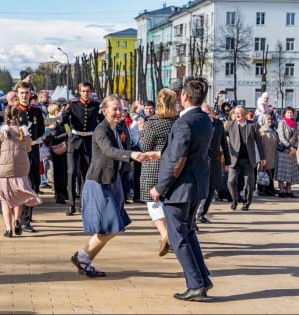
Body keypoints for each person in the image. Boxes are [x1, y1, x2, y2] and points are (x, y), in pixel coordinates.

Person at [149, 76, 213, 301]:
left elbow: (179, 159)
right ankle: (202, 278)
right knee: (188, 233)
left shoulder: (185, 121)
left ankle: (196, 284)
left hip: (180, 189)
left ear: (184, 96)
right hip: (195, 186)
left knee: (178, 238)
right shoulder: (204, 118)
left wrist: (160, 187)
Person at [70, 95, 146, 277]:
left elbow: (126, 146)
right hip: (99, 181)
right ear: (104, 111)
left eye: (121, 109)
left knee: (115, 226)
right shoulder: (100, 130)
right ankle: (82, 256)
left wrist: (141, 153)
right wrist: (131, 155)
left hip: (114, 180)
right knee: (111, 226)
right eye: (115, 109)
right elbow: (108, 151)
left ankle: (83, 257)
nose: (119, 112)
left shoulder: (119, 127)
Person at [0, 105, 42, 237]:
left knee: (5, 200)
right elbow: (28, 149)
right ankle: (17, 220)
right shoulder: (23, 133)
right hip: (20, 170)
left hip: (3, 172)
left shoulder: (0, 133)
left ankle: (8, 229)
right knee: (18, 198)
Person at [139, 88, 177, 256]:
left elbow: (145, 147)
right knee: (170, 202)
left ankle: (165, 234)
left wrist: (141, 131)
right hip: (173, 166)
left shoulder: (153, 121)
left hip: (153, 166)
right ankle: (172, 235)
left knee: (153, 204)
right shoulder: (178, 120)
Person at [62, 82, 100, 216]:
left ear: (91, 92)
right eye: (83, 91)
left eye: (88, 91)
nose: (85, 93)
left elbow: (101, 122)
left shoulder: (96, 105)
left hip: (88, 141)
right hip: (74, 140)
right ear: (79, 92)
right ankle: (71, 204)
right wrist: (68, 132)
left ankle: (84, 204)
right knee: (71, 172)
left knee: (86, 174)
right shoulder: (73, 104)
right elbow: (64, 119)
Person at [16, 81, 45, 232]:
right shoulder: (13, 111)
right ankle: (22, 220)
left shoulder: (36, 111)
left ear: (30, 94)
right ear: (17, 94)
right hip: (20, 152)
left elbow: (40, 129)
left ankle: (26, 217)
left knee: (34, 184)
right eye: (21, 93)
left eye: (26, 93)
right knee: (22, 185)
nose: (24, 96)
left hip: (33, 150)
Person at [225, 105, 265, 211]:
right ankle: (235, 200)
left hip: (248, 159)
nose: (237, 115)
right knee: (231, 181)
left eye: (239, 113)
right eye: (235, 113)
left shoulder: (253, 125)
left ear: (245, 114)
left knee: (249, 183)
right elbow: (222, 138)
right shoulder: (230, 125)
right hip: (234, 159)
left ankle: (246, 203)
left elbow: (259, 142)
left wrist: (262, 157)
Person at [196, 103, 231, 224]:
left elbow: (224, 144)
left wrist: (228, 161)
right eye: (203, 112)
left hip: (215, 161)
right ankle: (195, 213)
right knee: (200, 188)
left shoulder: (218, 124)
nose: (206, 114)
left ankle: (202, 214)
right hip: (200, 160)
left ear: (211, 112)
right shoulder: (197, 124)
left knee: (211, 188)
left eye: (208, 112)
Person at [275, 106, 299, 198]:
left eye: (291, 113)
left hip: (292, 151)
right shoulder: (282, 123)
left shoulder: (295, 124)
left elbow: (296, 137)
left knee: (291, 171)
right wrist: (290, 147)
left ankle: (289, 190)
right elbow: (281, 137)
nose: (290, 114)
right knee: (282, 172)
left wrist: (295, 148)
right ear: (284, 114)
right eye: (288, 112)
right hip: (284, 150)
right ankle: (281, 191)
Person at [257, 114, 278, 196]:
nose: (270, 120)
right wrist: (262, 157)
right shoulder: (261, 131)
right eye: (268, 119)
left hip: (272, 155)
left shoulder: (273, 131)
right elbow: (260, 145)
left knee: (270, 172)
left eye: (271, 119)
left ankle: (270, 188)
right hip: (264, 156)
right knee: (263, 172)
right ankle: (261, 189)